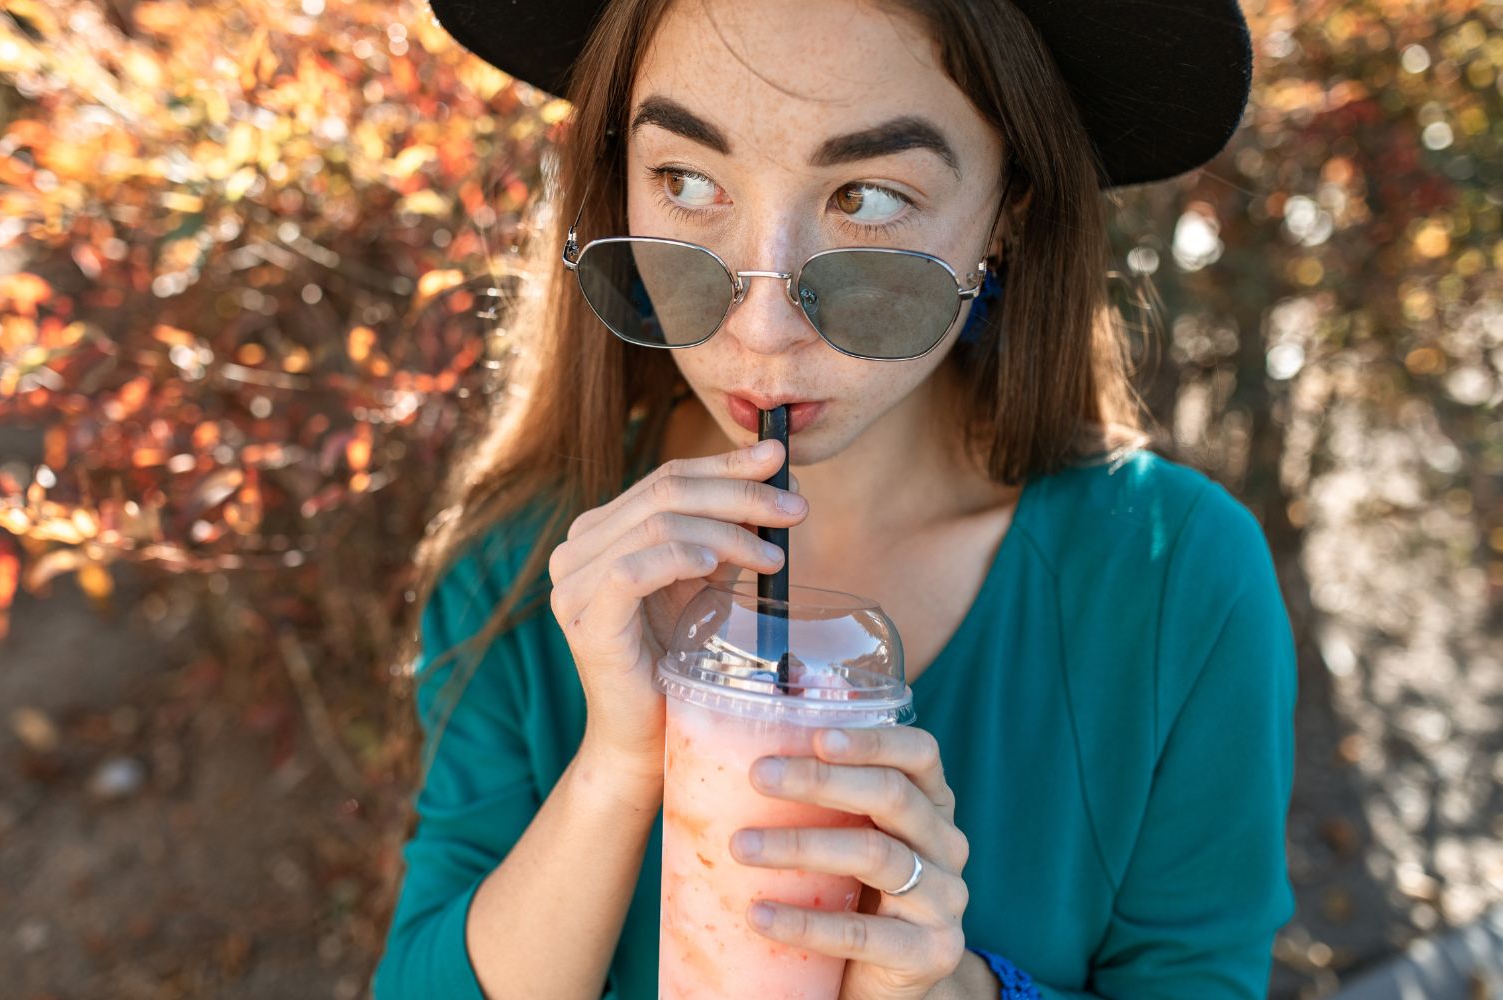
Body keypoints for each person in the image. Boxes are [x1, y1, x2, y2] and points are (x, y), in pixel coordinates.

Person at [375, 0, 1296, 997]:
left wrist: (950, 990)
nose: (762, 327)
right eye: (684, 179)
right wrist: (616, 768)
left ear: (1011, 207)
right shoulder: (528, 566)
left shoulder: (1175, 587)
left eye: (866, 195)